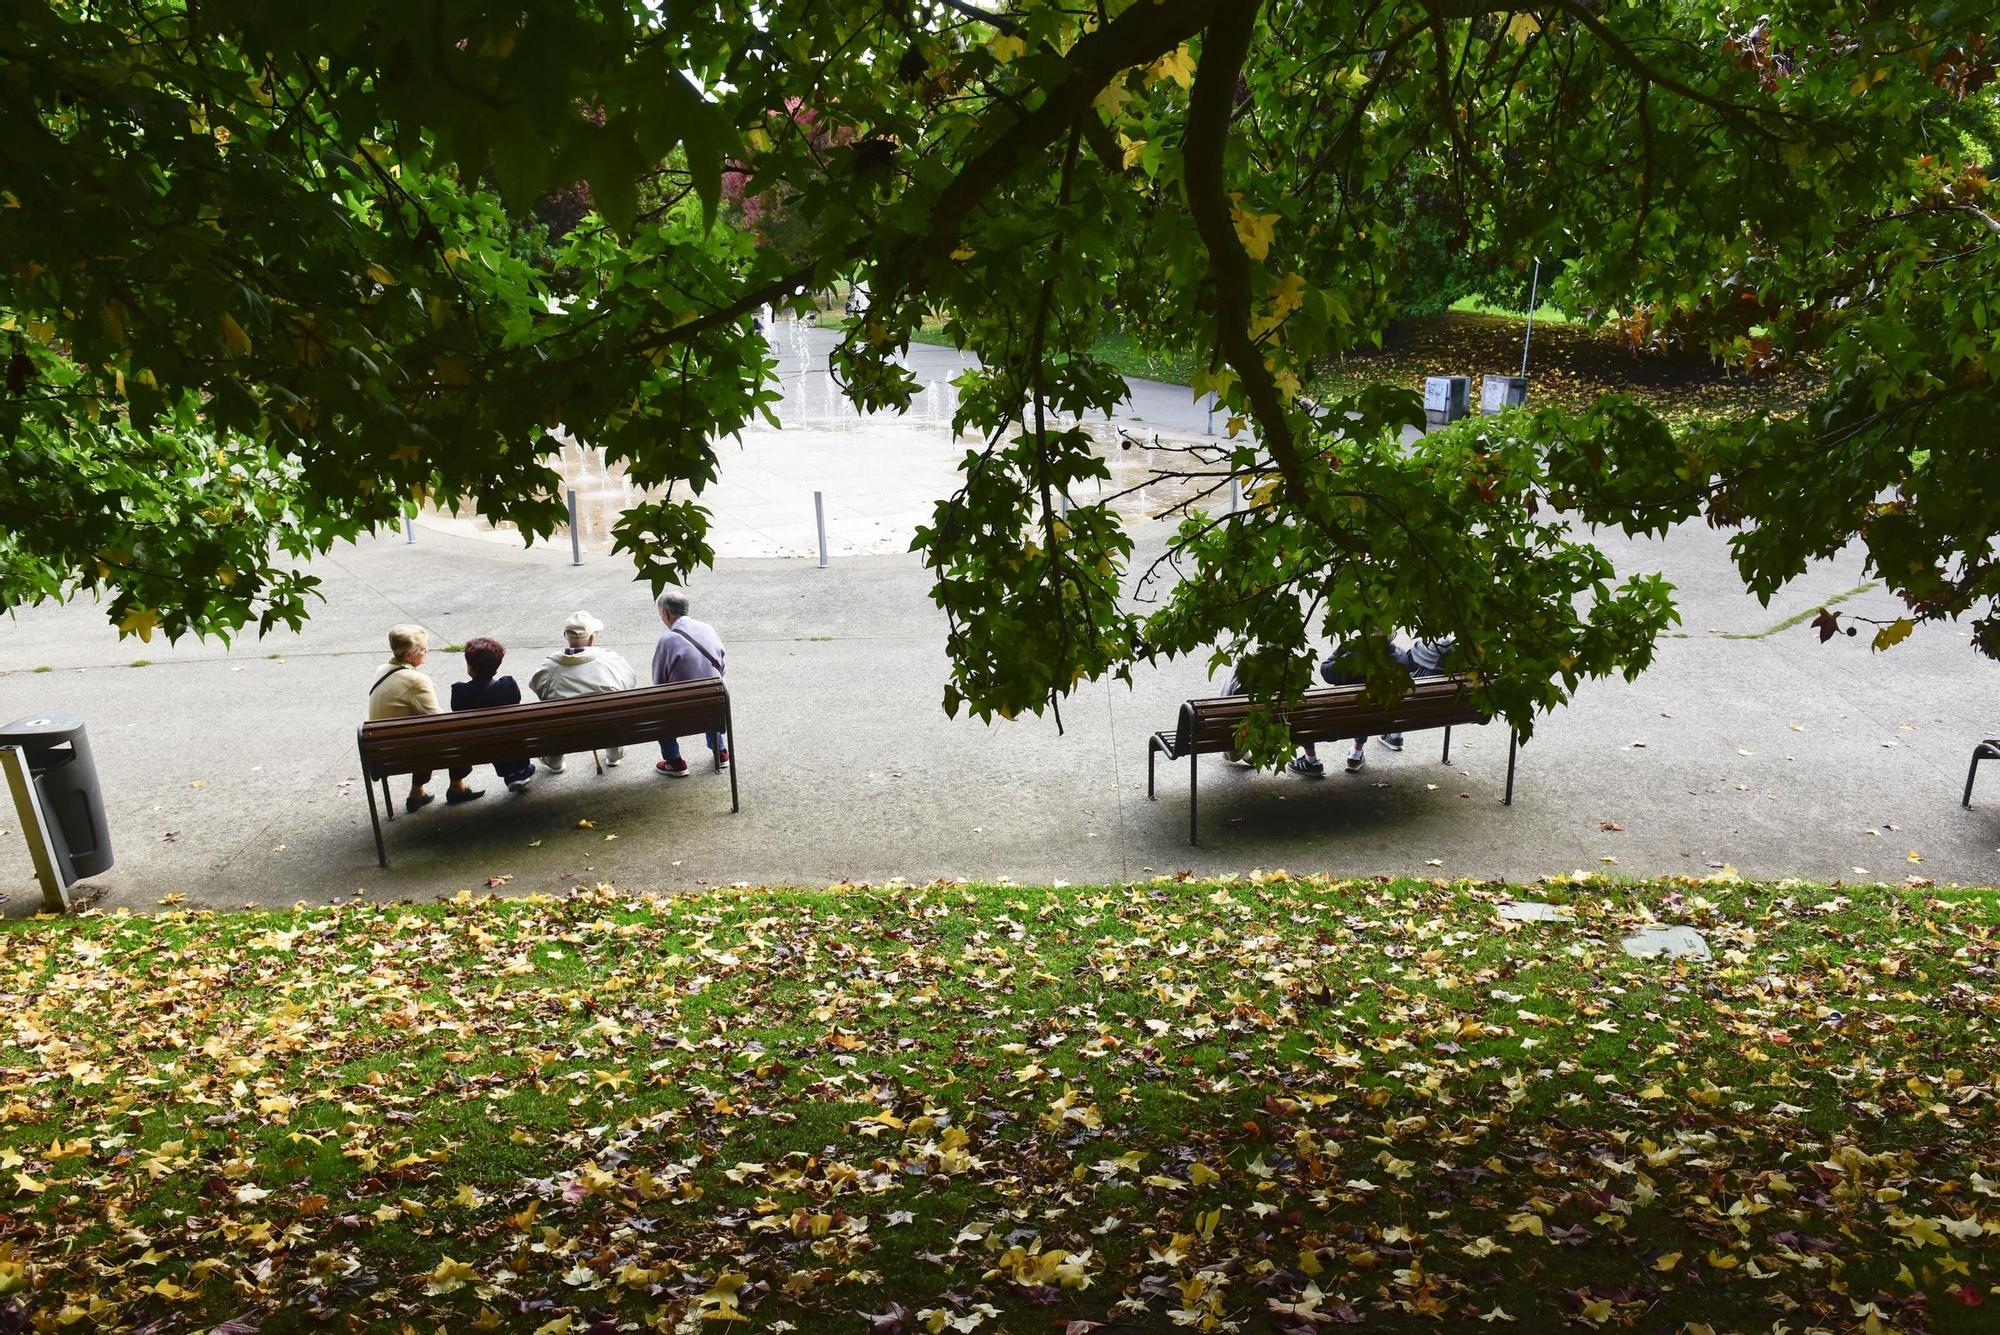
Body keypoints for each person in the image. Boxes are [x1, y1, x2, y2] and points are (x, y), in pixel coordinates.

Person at [365, 624, 482, 811]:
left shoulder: (382, 669)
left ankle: (417, 792)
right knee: (460, 735)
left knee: (420, 734)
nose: (427, 651)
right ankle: (457, 787)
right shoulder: (416, 680)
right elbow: (438, 721)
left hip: (380, 751)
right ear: (408, 656)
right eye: (423, 649)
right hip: (403, 753)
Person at [529, 611, 637, 773]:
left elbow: (539, 690)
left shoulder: (551, 666)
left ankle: (555, 761)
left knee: (554, 719)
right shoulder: (609, 660)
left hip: (567, 731)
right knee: (612, 711)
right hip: (606, 727)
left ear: (567, 637)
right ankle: (614, 754)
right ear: (592, 638)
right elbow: (629, 682)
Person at [651, 588, 728, 777]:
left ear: (666, 613)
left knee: (658, 706)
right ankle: (721, 752)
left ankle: (674, 761)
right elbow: (722, 667)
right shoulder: (707, 628)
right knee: (708, 694)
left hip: (683, 712)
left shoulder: (667, 640)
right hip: (714, 705)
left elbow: (659, 682)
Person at [450, 637, 536, 793]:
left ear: (470, 667)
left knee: (490, 735)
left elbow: (457, 711)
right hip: (509, 739)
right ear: (497, 666)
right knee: (509, 729)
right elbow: (515, 702)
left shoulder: (459, 691)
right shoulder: (508, 685)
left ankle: (511, 772)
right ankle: (520, 769)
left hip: (479, 746)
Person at [1222, 661, 1323, 777]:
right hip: (1287, 726)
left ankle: (1243, 751)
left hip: (1252, 730)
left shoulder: (1245, 667)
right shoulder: (1297, 668)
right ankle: (1311, 759)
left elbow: (1228, 699)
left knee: (1233, 753)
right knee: (1300, 712)